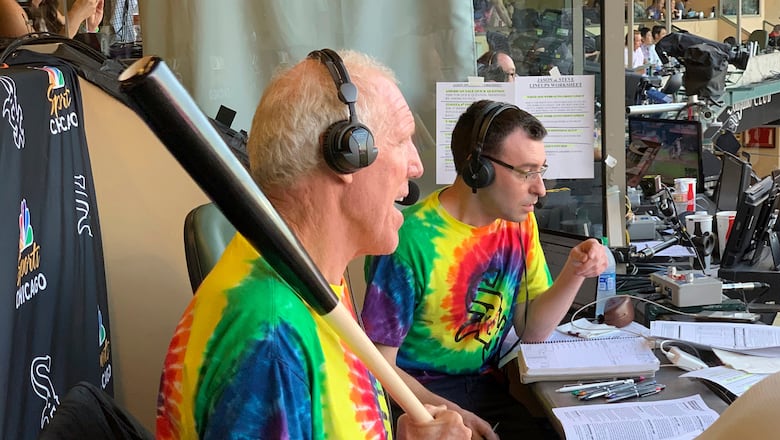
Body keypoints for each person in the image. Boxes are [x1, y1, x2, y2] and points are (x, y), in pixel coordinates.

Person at [155, 48, 471, 440]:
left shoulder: (314, 277)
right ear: (349, 155)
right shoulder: (271, 340)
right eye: (403, 140)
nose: (416, 165)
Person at [361, 100, 608, 439]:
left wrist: (575, 271)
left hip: (484, 389)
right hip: (417, 401)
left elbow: (531, 331)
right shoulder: (409, 239)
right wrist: (449, 414)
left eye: (541, 170)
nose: (540, 189)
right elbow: (378, 366)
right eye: (526, 172)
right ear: (478, 168)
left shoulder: (519, 224)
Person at [28, 0, 103, 38]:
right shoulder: (18, 11)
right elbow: (42, 58)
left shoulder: (47, 9)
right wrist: (77, 15)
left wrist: (91, 27)